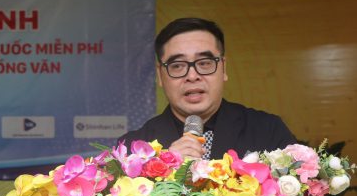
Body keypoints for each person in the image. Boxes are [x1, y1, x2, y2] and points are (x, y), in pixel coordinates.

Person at [118, 17, 296, 159]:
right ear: (160, 75)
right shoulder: (132, 149)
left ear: (223, 68)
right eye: (177, 65)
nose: (192, 76)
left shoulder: (268, 131)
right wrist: (167, 167)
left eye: (204, 63)